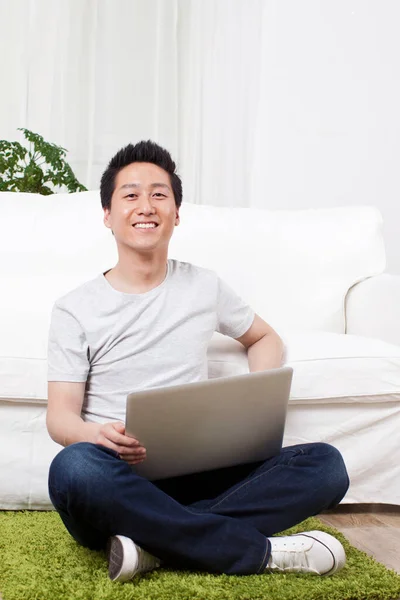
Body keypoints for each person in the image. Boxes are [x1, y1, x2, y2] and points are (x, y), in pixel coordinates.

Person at [46, 140, 349, 583]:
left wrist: (252, 400)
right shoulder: (75, 308)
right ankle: (255, 551)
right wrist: (98, 435)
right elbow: (60, 419)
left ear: (176, 213)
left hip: (200, 472)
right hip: (116, 479)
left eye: (159, 194)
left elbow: (264, 337)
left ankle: (153, 545)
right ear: (108, 215)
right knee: (72, 468)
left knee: (327, 465)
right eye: (130, 195)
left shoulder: (204, 286)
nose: (145, 205)